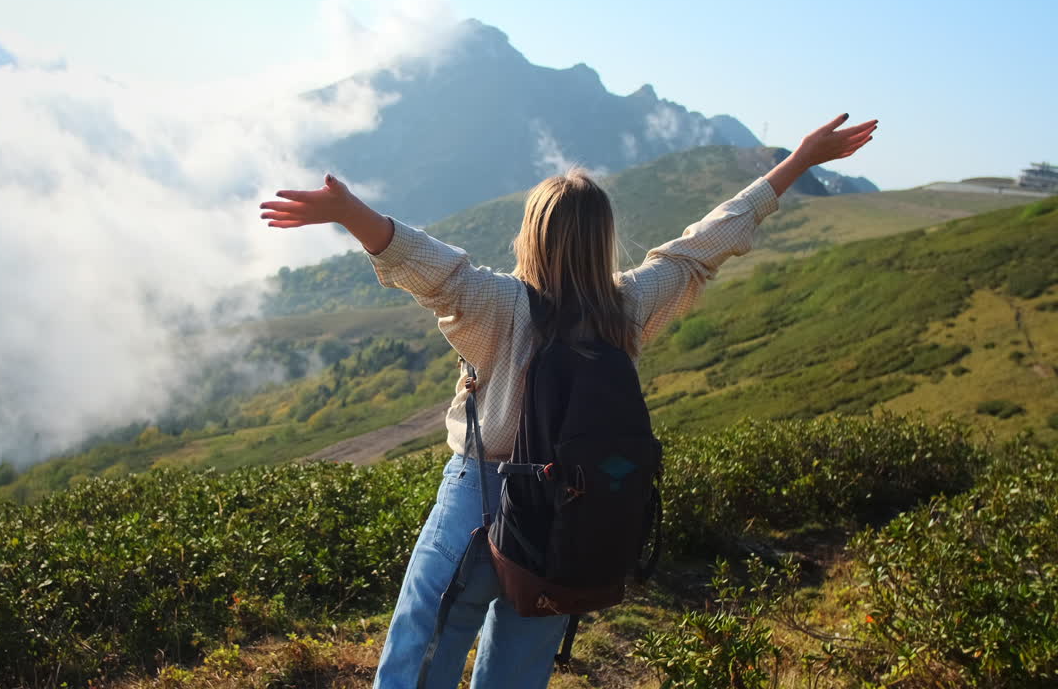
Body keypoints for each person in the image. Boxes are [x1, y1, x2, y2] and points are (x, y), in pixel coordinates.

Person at [260, 114, 877, 688]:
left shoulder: (501, 305)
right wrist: (797, 161)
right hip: (571, 510)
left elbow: (430, 267)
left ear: (531, 235)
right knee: (519, 668)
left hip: (481, 496)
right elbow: (706, 244)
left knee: (426, 646)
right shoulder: (628, 307)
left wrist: (350, 212)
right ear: (603, 239)